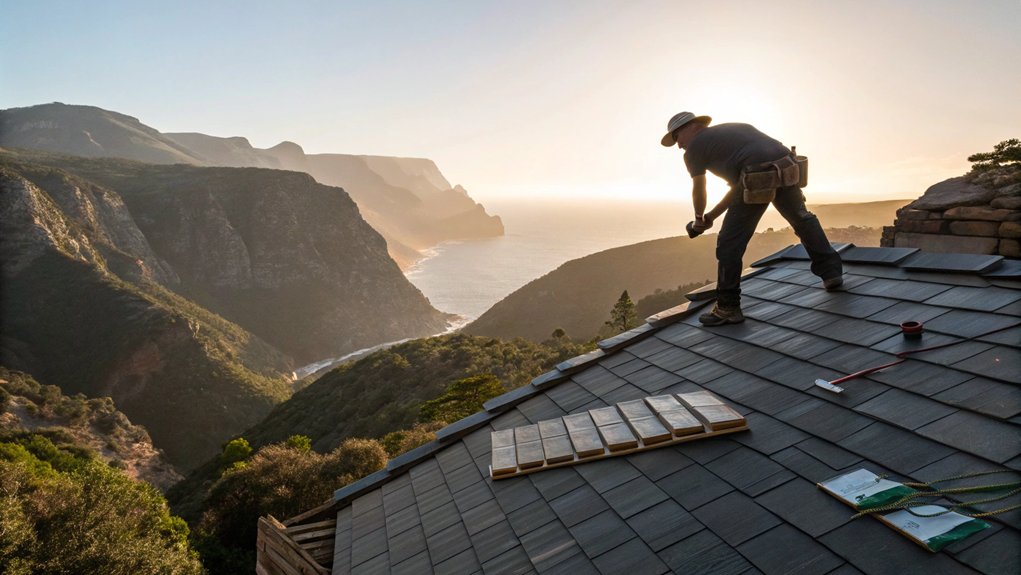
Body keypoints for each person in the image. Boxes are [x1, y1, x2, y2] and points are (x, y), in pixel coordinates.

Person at [661, 111, 843, 326]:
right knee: (802, 219)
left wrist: (699, 217)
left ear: (689, 128)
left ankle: (727, 308)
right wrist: (710, 217)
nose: (679, 146)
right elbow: (741, 186)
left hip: (758, 173)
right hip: (786, 165)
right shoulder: (736, 130)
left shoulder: (694, 148)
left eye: (676, 138)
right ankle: (831, 273)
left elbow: (699, 188)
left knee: (730, 242)